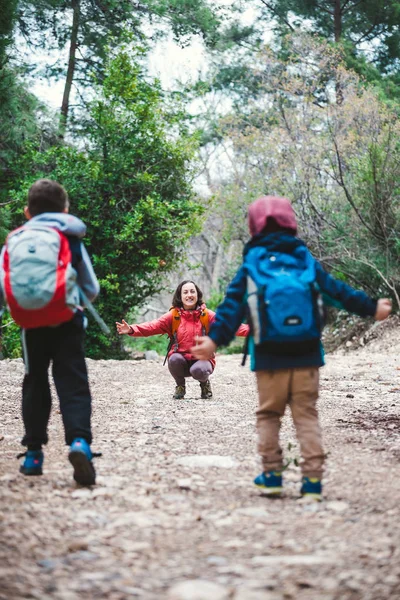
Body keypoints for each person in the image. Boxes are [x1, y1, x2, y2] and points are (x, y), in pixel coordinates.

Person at [192, 195, 392, 500]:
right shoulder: (304, 260)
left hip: (269, 357)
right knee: (306, 416)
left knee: (270, 415)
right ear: (291, 223)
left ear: (254, 226)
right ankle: (312, 482)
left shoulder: (252, 264)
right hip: (307, 354)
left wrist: (214, 340)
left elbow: (233, 307)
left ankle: (272, 476)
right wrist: (371, 308)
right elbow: (337, 291)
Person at [0, 179, 100, 486]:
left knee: (35, 381)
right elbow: (91, 288)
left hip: (31, 325)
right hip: (67, 320)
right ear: (65, 210)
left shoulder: (14, 241)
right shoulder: (68, 238)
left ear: (28, 212)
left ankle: (33, 455)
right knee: (72, 381)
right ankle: (80, 444)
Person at [116, 280, 249, 399]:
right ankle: (180, 386)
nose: (189, 295)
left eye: (192, 291)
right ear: (180, 296)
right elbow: (153, 326)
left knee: (199, 371)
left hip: (202, 360)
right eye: (185, 292)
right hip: (181, 360)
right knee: (174, 359)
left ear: (197, 295)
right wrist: (132, 329)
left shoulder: (206, 315)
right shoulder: (173, 316)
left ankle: (204, 384)